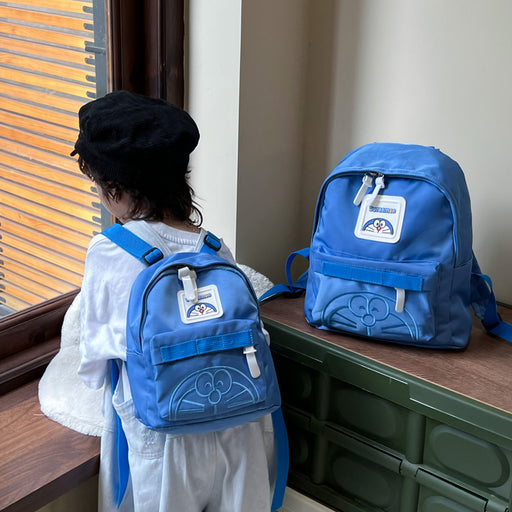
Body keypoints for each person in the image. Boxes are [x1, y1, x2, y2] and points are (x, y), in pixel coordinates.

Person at [71, 90, 276, 512]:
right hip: (241, 428)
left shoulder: (110, 251)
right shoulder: (214, 249)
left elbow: (95, 359)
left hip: (163, 440)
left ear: (116, 191)